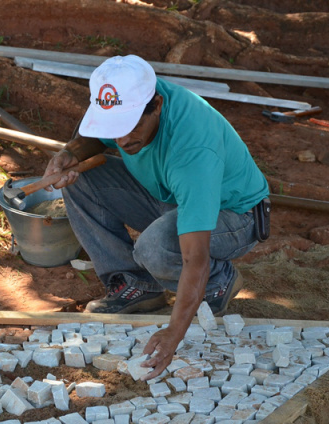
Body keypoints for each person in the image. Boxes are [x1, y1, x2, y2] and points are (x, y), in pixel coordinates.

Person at [43, 54, 270, 379]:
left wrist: (173, 334)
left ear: (158, 105)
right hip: (170, 194)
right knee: (84, 180)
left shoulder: (192, 151)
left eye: (129, 127)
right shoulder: (125, 100)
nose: (120, 140)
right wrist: (69, 155)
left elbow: (195, 257)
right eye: (114, 127)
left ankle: (219, 281)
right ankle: (136, 285)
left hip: (234, 215)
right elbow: (93, 138)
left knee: (156, 248)